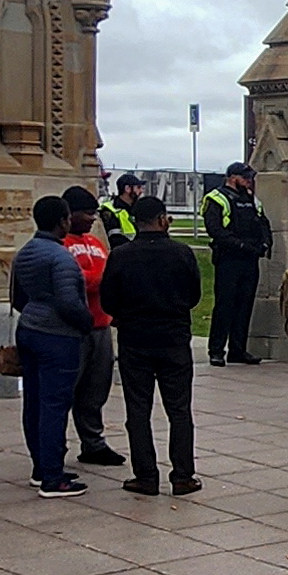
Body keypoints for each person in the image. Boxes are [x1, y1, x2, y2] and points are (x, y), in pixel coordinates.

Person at [99, 195, 204, 496]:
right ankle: (183, 475)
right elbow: (194, 295)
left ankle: (145, 475)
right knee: (179, 410)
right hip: (173, 338)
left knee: (138, 409)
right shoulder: (181, 253)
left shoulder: (121, 255)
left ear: (134, 222)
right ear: (162, 219)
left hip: (135, 340)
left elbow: (108, 300)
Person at [11, 194, 93, 497]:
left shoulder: (26, 252)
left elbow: (18, 296)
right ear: (63, 221)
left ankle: (40, 466)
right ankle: (53, 477)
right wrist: (86, 322)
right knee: (55, 405)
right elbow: (69, 303)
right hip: (57, 336)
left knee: (33, 401)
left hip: (29, 327)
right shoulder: (61, 258)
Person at [60, 186, 126, 468]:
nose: (91, 218)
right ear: (69, 214)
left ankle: (93, 443)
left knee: (96, 388)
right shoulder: (61, 245)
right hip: (72, 329)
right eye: (86, 213)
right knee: (65, 390)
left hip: (101, 324)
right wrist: (102, 279)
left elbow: (108, 272)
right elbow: (78, 280)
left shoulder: (96, 243)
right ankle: (55, 446)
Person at [202, 163, 271, 366]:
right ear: (232, 177)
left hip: (250, 260)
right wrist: (240, 245)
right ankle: (216, 350)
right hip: (228, 259)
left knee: (244, 305)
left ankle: (237, 350)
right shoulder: (216, 198)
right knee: (225, 305)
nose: (249, 181)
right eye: (245, 177)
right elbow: (215, 229)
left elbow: (263, 223)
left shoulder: (251, 199)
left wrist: (265, 243)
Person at [98, 172, 144, 246]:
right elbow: (115, 240)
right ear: (127, 189)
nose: (141, 191)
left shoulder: (137, 209)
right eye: (138, 187)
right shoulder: (111, 210)